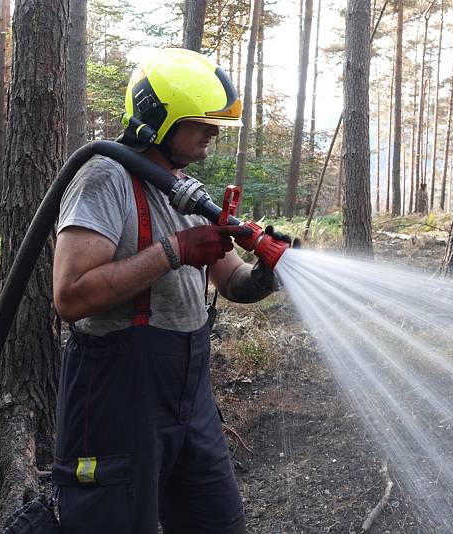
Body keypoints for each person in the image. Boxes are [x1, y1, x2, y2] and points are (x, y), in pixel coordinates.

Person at [52, 49, 287, 533]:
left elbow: (233, 281)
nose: (213, 132)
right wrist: (175, 250)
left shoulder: (187, 191)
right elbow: (70, 296)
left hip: (189, 391)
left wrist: (265, 273)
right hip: (118, 389)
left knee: (217, 523)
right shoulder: (103, 179)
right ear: (157, 119)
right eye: (200, 122)